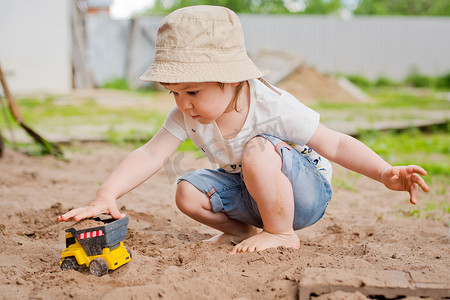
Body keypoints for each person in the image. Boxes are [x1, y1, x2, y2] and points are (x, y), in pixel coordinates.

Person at [58, 5, 430, 254]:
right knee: (186, 191)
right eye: (173, 93)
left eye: (193, 91)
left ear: (232, 80)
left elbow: (332, 142)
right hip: (248, 192)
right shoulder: (187, 115)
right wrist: (108, 192)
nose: (183, 104)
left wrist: (384, 171)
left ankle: (282, 233)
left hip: (302, 193)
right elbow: (151, 154)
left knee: (257, 149)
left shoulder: (272, 105)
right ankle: (244, 230)